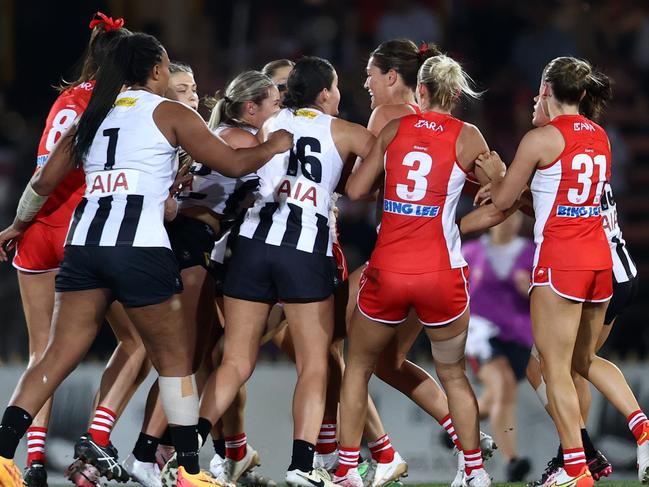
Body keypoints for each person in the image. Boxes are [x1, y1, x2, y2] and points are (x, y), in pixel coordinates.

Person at [0, 31, 292, 487]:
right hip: (138, 246)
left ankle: (1, 455)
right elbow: (234, 165)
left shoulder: (92, 115)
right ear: (156, 69)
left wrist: (19, 224)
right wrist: (272, 148)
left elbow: (43, 181)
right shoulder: (169, 112)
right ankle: (190, 472)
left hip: (85, 246)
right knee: (177, 360)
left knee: (55, 355)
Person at [193, 56, 374, 487]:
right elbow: (386, 163)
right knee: (314, 363)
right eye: (336, 87)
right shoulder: (345, 131)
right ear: (326, 92)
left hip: (252, 246)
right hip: (305, 251)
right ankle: (301, 465)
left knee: (235, 361)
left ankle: (184, 452)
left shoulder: (270, 121)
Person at [476, 56, 649, 487]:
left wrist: (494, 174)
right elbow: (561, 201)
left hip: (561, 261)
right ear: (584, 93)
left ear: (546, 90)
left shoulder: (540, 139)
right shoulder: (602, 137)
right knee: (580, 362)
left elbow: (502, 199)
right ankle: (585, 458)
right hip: (599, 263)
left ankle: (575, 468)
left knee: (554, 370)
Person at [1, 12, 153, 487]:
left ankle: (32, 462)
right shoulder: (118, 106)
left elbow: (42, 171)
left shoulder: (66, 99)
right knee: (138, 340)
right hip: (85, 233)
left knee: (41, 354)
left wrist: (18, 223)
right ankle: (98, 441)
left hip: (38, 231)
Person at [335, 53, 494, 487]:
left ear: (419, 91)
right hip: (441, 271)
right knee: (455, 375)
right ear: (456, 94)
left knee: (357, 368)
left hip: (388, 269)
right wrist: (465, 218)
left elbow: (354, 189)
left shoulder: (395, 128)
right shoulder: (469, 136)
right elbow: (501, 196)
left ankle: (349, 470)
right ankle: (475, 472)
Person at [463, 212, 533, 481]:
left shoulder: (532, 252)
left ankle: (457, 426)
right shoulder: (470, 251)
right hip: (481, 333)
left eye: (516, 217)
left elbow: (547, 297)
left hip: (519, 336)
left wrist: (529, 290)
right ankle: (512, 460)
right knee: (502, 384)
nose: (511, 222)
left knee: (496, 397)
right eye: (505, 216)